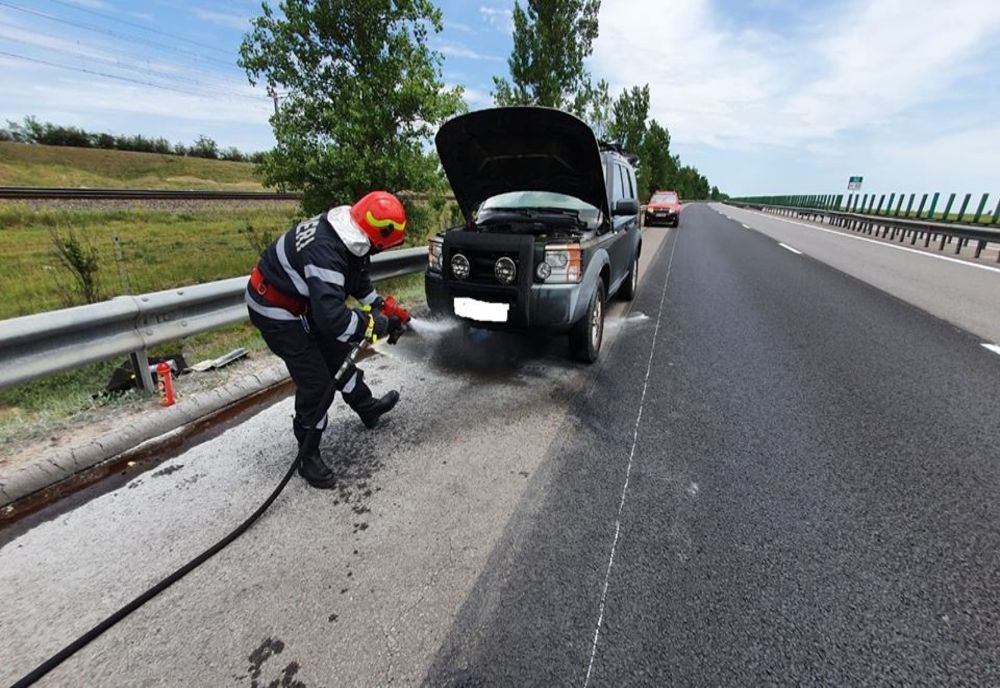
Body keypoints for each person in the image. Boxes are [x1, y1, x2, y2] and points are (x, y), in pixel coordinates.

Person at [246, 191, 408, 488]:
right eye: (380, 247)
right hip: (275, 309)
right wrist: (379, 325)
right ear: (374, 235)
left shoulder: (349, 232)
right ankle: (307, 456)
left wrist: (379, 307)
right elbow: (334, 320)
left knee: (338, 356)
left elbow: (356, 276)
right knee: (317, 382)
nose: (377, 252)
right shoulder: (326, 251)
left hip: (304, 303)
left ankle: (366, 407)